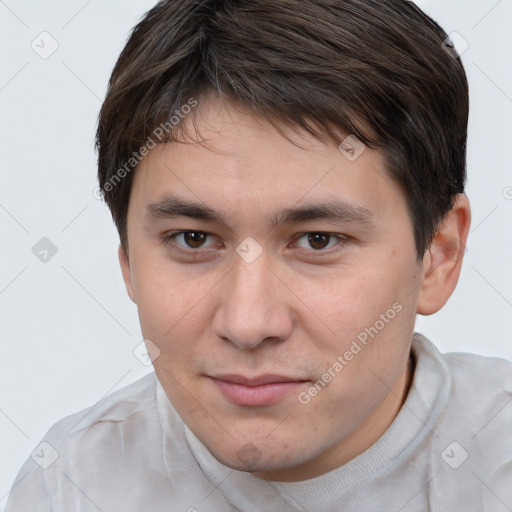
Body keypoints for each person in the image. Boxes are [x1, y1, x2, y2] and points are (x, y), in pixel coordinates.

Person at [6, 0, 512, 510]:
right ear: (128, 263)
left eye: (318, 240)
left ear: (438, 256)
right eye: (193, 239)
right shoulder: (69, 489)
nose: (248, 324)